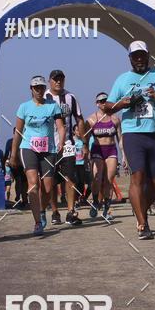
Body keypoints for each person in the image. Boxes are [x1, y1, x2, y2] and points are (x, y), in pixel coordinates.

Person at [104, 40, 155, 239]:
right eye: (135, 56)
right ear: (130, 58)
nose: (139, 59)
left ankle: (141, 209)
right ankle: (142, 223)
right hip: (133, 135)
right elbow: (107, 106)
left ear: (148, 56)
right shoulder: (122, 79)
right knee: (137, 177)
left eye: (142, 55)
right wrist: (122, 104)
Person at [10, 75, 65, 236]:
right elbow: (18, 132)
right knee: (33, 185)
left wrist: (61, 141)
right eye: (36, 88)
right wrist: (13, 155)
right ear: (31, 89)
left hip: (48, 149)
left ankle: (41, 209)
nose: (39, 90)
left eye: (41, 87)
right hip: (28, 148)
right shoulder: (24, 107)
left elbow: (60, 127)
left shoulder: (52, 105)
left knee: (47, 187)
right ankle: (37, 222)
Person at [44, 70, 87, 227]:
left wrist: (84, 143)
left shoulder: (71, 97)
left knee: (70, 177)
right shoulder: (44, 98)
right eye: (55, 79)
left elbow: (80, 119)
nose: (58, 82)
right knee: (51, 181)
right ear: (49, 81)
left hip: (68, 144)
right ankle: (55, 212)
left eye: (61, 79)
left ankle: (71, 211)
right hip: (48, 145)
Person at [84, 92, 127, 219]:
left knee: (109, 180)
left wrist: (123, 155)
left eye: (106, 101)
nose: (104, 103)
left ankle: (107, 208)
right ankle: (95, 201)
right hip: (97, 150)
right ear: (97, 103)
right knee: (97, 178)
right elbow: (85, 139)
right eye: (101, 101)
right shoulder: (91, 120)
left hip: (111, 150)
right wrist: (85, 155)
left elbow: (120, 139)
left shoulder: (115, 119)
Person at [4, 128, 28, 209]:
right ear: (13, 132)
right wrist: (5, 164)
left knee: (25, 182)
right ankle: (18, 197)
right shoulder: (10, 141)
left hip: (24, 164)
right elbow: (6, 153)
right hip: (15, 164)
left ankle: (24, 198)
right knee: (18, 181)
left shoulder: (25, 140)